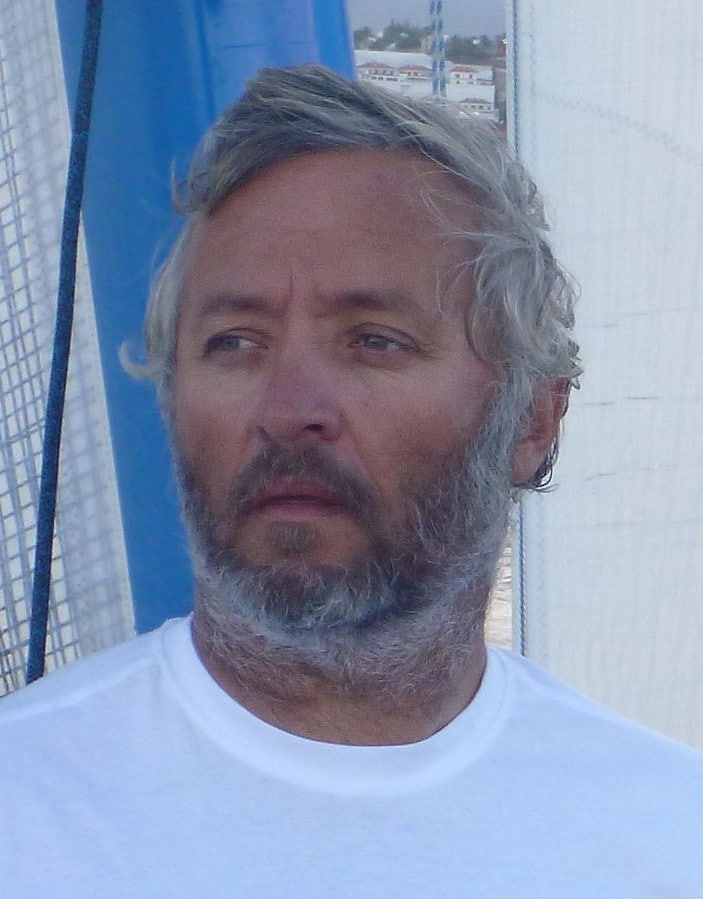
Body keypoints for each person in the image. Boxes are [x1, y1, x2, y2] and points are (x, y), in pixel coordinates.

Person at [2, 65, 702, 897]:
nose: (288, 410)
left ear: (530, 421)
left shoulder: (665, 836)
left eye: (374, 341)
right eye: (234, 342)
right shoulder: (26, 807)